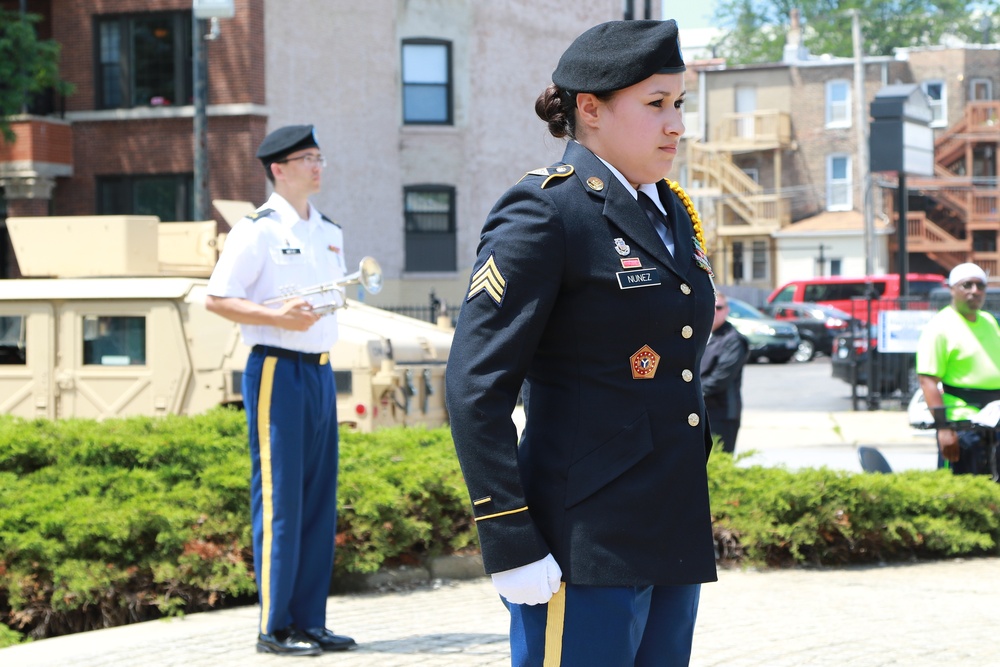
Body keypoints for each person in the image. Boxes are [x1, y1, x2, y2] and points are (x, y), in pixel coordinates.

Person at [446, 19, 718, 666]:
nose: (675, 124)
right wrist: (507, 536)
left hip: (670, 525)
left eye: (679, 103)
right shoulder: (546, 212)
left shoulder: (670, 209)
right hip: (583, 540)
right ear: (590, 110)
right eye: (655, 104)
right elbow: (475, 387)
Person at [205, 125, 356, 657]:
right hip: (275, 370)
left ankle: (309, 620)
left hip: (318, 370)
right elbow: (218, 298)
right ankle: (274, 627)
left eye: (320, 156)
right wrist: (275, 317)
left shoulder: (329, 230)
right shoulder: (257, 230)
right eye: (307, 158)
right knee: (281, 501)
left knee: (318, 500)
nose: (318, 166)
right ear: (278, 169)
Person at [916, 262, 1000, 475]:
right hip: (963, 422)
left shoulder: (989, 321)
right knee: (964, 489)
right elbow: (928, 380)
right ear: (951, 289)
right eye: (967, 285)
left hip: (994, 418)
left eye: (980, 286)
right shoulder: (940, 326)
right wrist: (943, 428)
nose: (975, 291)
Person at [700, 293, 749, 454]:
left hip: (722, 414)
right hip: (701, 411)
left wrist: (690, 393)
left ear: (726, 310)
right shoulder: (699, 335)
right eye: (711, 306)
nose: (714, 311)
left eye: (719, 307)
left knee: (720, 463)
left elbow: (720, 379)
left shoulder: (733, 340)